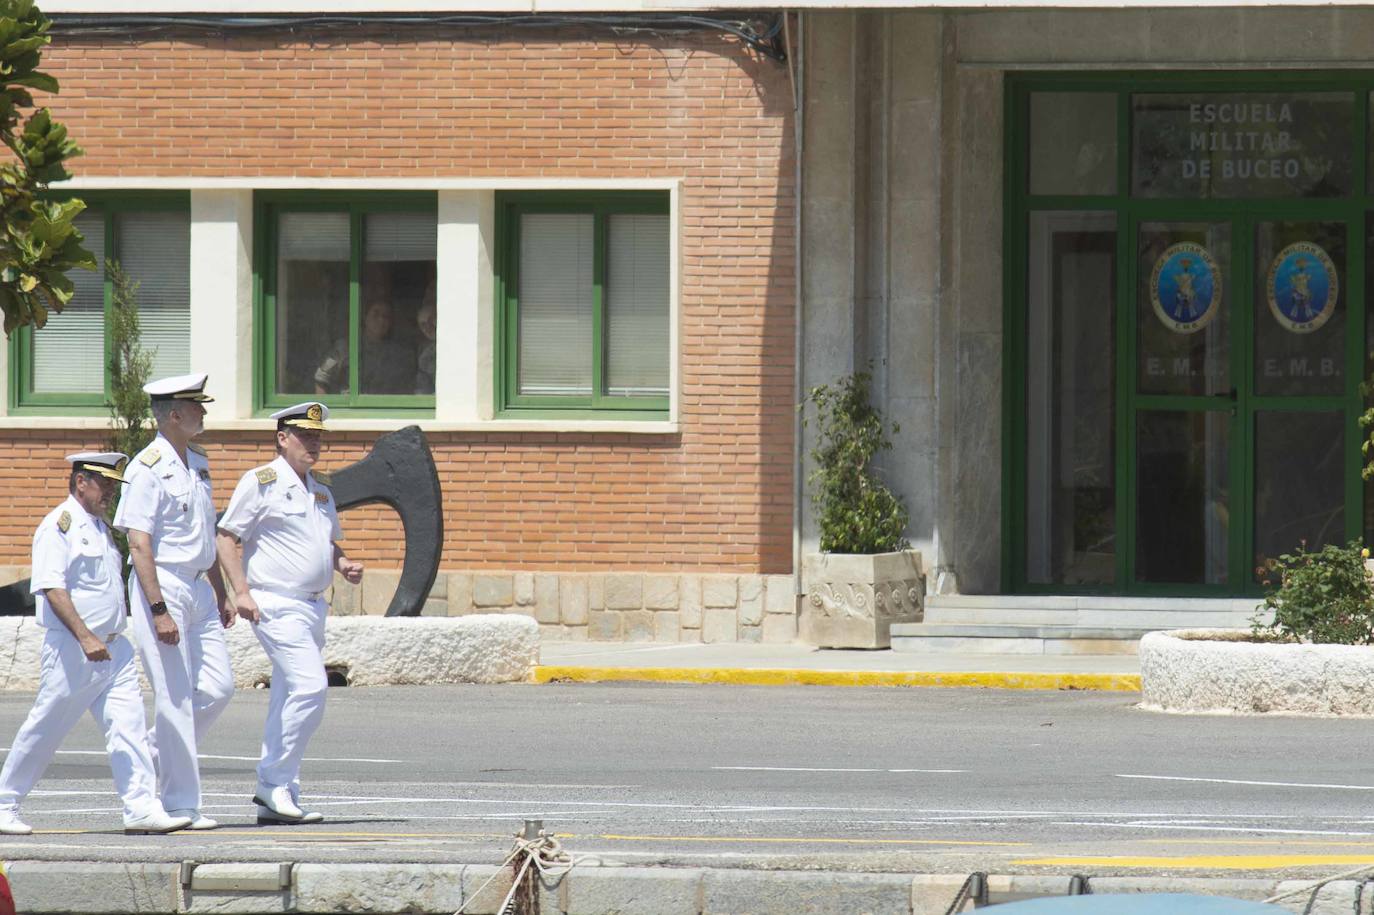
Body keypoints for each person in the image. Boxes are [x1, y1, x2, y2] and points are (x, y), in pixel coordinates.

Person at [0, 454, 193, 837]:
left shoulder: (100, 527)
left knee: (129, 727)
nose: (109, 492)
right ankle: (4, 802)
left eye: (113, 485)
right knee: (46, 727)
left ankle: (140, 807)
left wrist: (106, 637)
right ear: (80, 482)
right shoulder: (60, 525)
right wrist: (85, 636)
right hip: (75, 648)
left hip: (113, 648)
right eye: (103, 483)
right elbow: (52, 588)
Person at [216, 402, 363, 824]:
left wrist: (343, 564)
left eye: (318, 436)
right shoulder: (261, 481)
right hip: (275, 603)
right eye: (305, 435)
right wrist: (240, 591)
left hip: (313, 606)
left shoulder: (321, 490)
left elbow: (326, 542)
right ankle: (272, 783)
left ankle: (280, 789)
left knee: (286, 696)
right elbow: (226, 536)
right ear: (283, 438)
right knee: (310, 686)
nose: (314, 443)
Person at [114, 373, 235, 831]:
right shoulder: (147, 467)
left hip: (199, 585)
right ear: (174, 414)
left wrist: (220, 592)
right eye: (197, 407)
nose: (204, 412)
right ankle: (181, 803)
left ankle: (148, 755)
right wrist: (158, 608)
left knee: (219, 687)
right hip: (161, 582)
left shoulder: (198, 463)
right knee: (175, 695)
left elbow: (205, 533)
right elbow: (139, 544)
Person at [313, 299, 415, 396]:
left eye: (386, 316)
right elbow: (322, 379)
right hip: (352, 411)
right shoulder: (346, 347)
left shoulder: (397, 353)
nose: (381, 319)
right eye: (376, 314)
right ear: (365, 317)